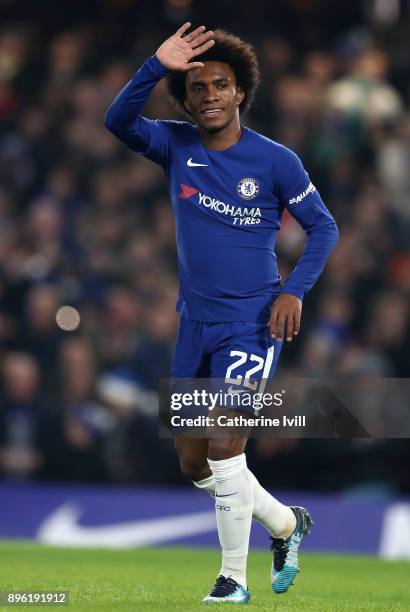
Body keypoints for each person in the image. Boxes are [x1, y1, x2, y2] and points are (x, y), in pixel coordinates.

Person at [105, 23, 338, 605]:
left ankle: (233, 579)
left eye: (221, 84)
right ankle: (286, 524)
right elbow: (117, 121)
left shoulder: (277, 161)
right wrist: (154, 66)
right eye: (198, 87)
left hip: (253, 322)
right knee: (193, 462)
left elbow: (324, 228)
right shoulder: (174, 144)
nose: (209, 94)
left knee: (224, 441)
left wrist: (295, 291)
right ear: (185, 101)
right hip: (195, 324)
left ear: (240, 93)